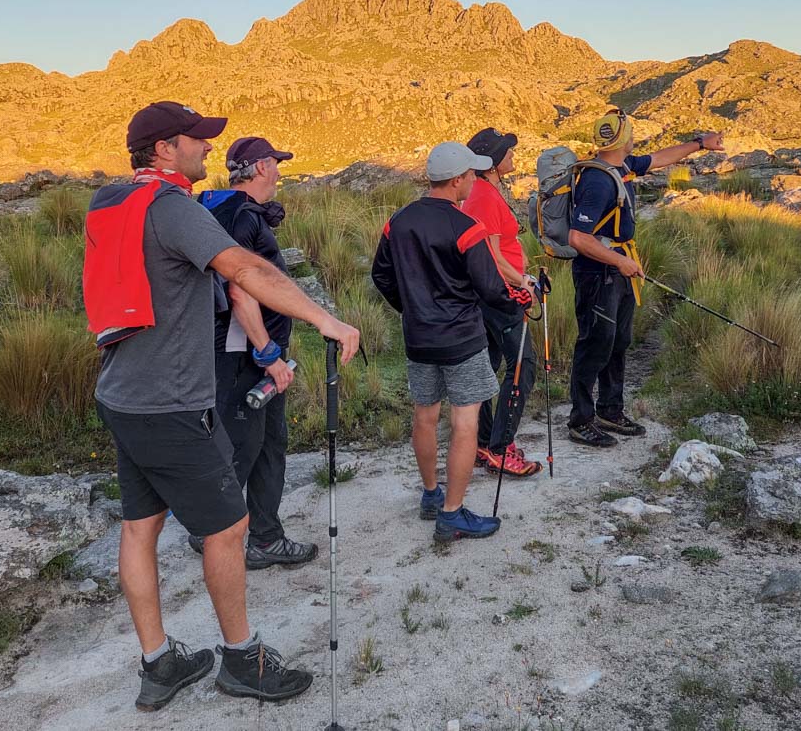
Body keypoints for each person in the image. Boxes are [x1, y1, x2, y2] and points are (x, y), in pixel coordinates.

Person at [84, 101, 359, 711]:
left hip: (121, 391)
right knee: (230, 526)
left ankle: (160, 664)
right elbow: (241, 268)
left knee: (140, 526)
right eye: (196, 140)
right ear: (163, 149)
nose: (207, 149)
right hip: (171, 401)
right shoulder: (171, 207)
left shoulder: (109, 200)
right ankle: (243, 658)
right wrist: (325, 319)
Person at [371, 142, 532, 542]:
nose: (475, 182)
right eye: (472, 176)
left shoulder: (399, 221)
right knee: (465, 422)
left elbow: (382, 275)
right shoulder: (466, 228)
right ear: (458, 179)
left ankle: (431, 494)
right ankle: (452, 513)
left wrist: (410, 309)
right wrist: (521, 295)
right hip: (462, 338)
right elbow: (491, 289)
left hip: (419, 337)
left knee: (425, 416)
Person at [188, 137, 317, 570]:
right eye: (276, 164)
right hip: (246, 354)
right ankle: (211, 530)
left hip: (252, 352)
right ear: (260, 167)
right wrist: (268, 354)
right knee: (242, 443)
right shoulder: (242, 219)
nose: (279, 172)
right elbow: (241, 293)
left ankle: (265, 536)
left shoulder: (227, 211)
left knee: (267, 442)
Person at [566, 108, 723, 447]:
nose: (635, 137)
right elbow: (578, 238)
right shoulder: (597, 180)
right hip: (598, 275)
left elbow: (659, 159)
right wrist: (618, 262)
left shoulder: (622, 165)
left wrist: (699, 144)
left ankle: (610, 409)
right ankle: (580, 419)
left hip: (618, 269)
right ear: (622, 137)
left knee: (618, 341)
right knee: (594, 343)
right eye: (631, 132)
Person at [462, 127, 542, 477]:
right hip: (501, 296)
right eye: (507, 151)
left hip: (493, 294)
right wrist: (521, 282)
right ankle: (500, 448)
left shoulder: (484, 191)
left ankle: (484, 443)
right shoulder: (483, 196)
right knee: (523, 366)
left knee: (488, 368)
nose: (513, 155)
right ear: (492, 162)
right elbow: (491, 255)